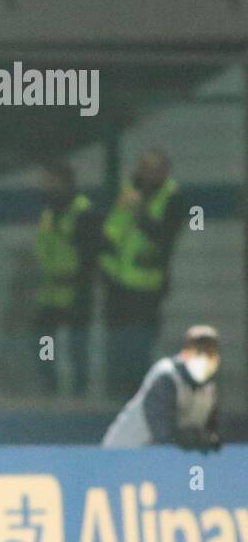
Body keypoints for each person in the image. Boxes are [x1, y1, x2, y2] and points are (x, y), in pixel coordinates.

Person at [99, 148, 185, 398]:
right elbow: (111, 230)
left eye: (153, 169)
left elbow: (163, 236)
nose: (146, 174)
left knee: (140, 342)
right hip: (117, 282)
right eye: (143, 167)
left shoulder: (173, 198)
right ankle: (114, 393)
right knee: (116, 342)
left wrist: (139, 210)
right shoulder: (128, 192)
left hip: (147, 286)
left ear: (164, 172)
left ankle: (138, 393)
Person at [31, 162, 95, 396]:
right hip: (50, 291)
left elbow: (91, 254)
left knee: (77, 344)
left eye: (51, 181)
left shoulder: (83, 211)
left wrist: (76, 278)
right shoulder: (49, 213)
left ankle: (80, 389)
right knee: (43, 340)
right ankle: (49, 385)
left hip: (75, 290)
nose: (46, 187)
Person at [102, 325, 220, 451]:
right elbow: (164, 434)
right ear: (186, 353)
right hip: (123, 455)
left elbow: (210, 431)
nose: (205, 359)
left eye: (210, 353)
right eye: (200, 352)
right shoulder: (166, 376)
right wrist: (196, 437)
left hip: (156, 460)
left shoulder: (209, 388)